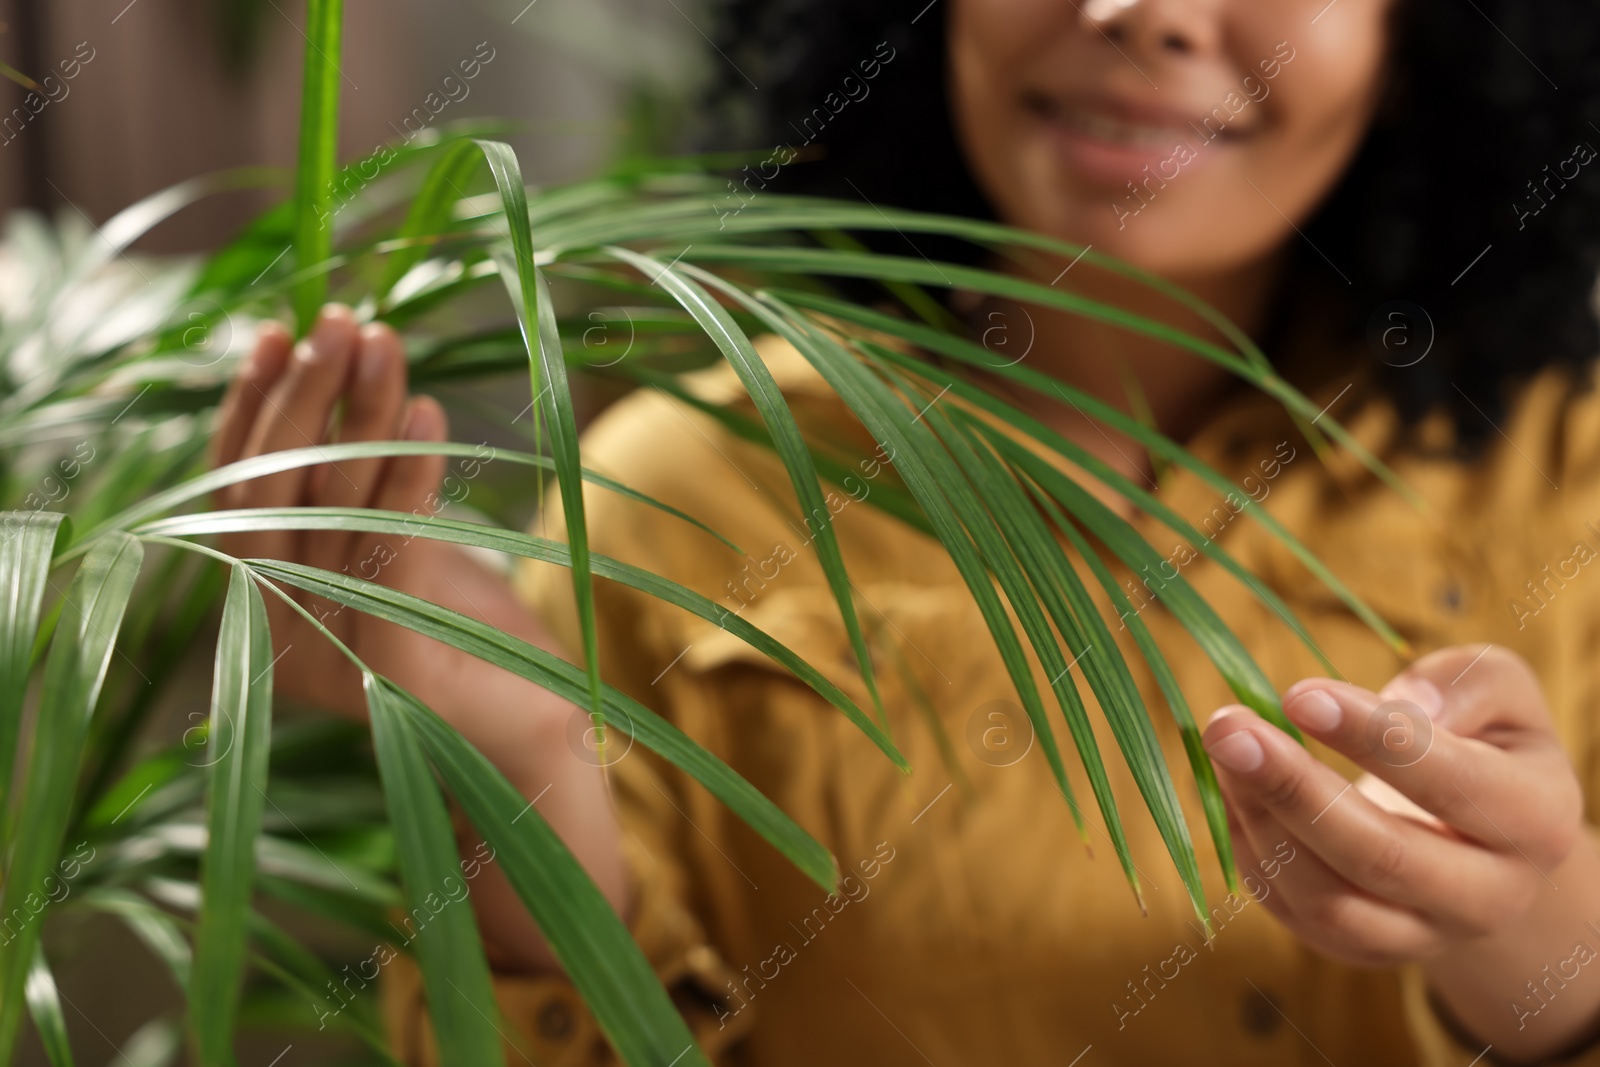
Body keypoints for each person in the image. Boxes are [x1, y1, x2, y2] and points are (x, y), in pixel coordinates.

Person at [211, 0, 1600, 1062]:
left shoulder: (1565, 482)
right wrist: (505, 761)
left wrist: (1540, 948)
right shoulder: (685, 492)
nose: (1135, 10)